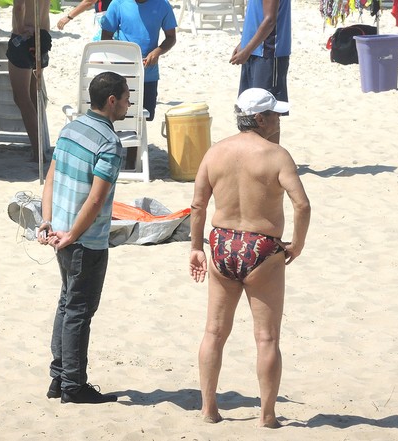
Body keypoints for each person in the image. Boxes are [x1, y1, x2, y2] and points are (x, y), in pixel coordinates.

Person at [189, 88, 310, 428]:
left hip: (222, 244)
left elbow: (198, 204)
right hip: (262, 247)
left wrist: (197, 247)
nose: (278, 119)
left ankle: (209, 409)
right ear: (259, 118)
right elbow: (302, 204)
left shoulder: (215, 152)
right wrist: (297, 244)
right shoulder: (276, 155)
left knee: (214, 332)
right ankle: (267, 415)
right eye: (274, 114)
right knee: (267, 338)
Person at [38, 71, 129, 404]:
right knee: (79, 309)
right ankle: (73, 385)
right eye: (126, 97)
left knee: (67, 303)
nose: (128, 103)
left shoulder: (71, 128)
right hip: (83, 240)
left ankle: (59, 377)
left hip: (61, 231)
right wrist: (74, 234)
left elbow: (50, 178)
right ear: (112, 100)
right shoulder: (109, 143)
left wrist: (47, 222)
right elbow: (96, 199)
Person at [100, 0, 176, 122]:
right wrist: (119, 58)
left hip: (148, 74)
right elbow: (105, 37)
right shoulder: (118, 3)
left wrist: (157, 51)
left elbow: (171, 37)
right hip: (121, 75)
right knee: (121, 118)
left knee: (146, 117)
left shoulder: (162, 4)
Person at [230, 0, 291, 143]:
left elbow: (270, 20)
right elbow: (256, 14)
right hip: (255, 51)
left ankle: (271, 159)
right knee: (249, 110)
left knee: (268, 113)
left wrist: (247, 50)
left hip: (268, 53)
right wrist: (244, 43)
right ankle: (254, 157)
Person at [7, 0, 51, 162]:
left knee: (22, 98)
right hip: (43, 34)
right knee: (33, 94)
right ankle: (39, 147)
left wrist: (19, 29)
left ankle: (37, 150)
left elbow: (19, 6)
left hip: (25, 37)